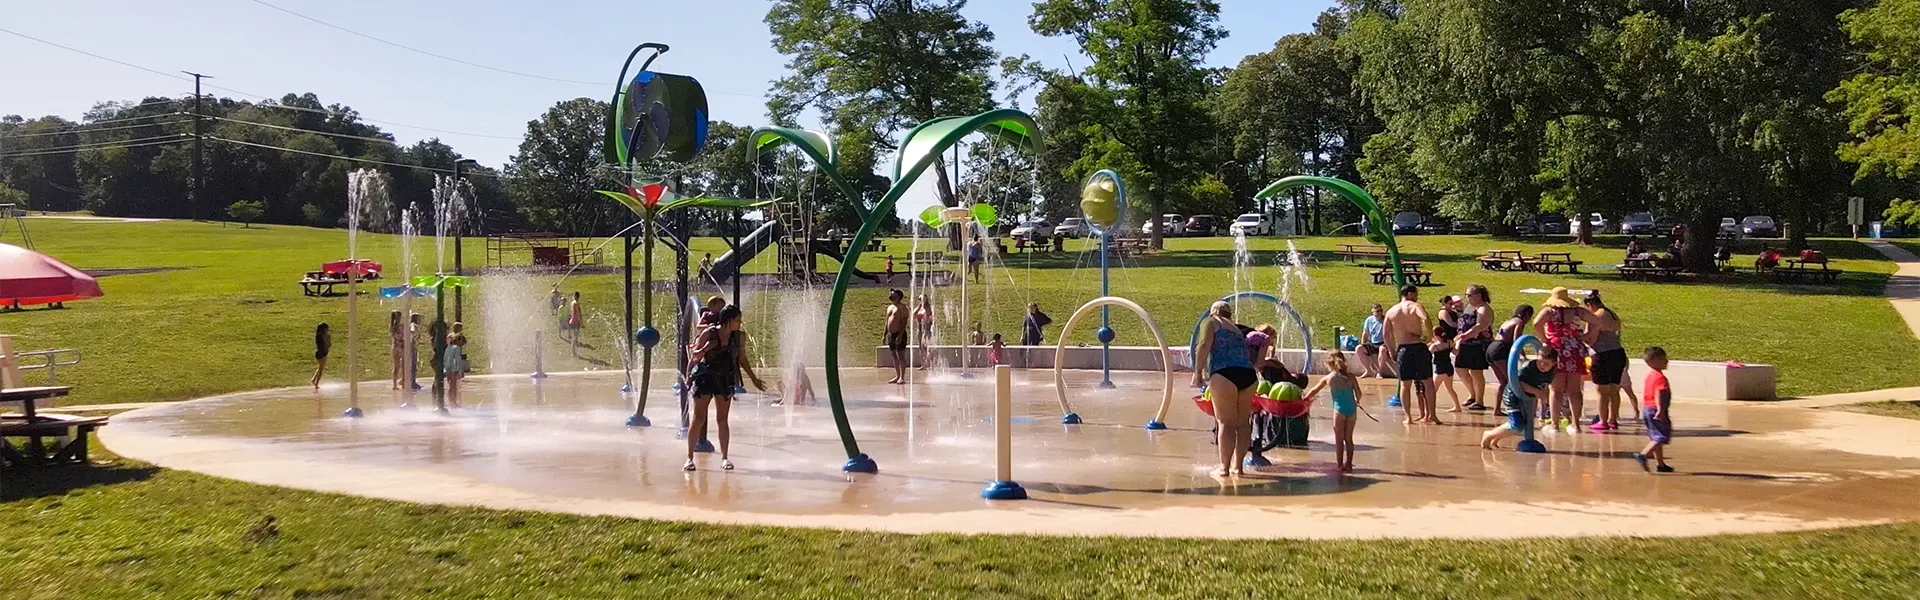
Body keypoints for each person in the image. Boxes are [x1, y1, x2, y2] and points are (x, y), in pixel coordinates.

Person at [685, 305, 765, 472]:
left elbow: (742, 359)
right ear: (728, 320)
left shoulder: (739, 337)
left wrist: (753, 379)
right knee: (698, 418)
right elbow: (695, 356)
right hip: (705, 377)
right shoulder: (709, 333)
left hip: (725, 378)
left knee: (722, 419)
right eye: (737, 320)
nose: (740, 323)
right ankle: (689, 458)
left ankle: (725, 457)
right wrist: (707, 347)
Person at [1190, 301, 1256, 478]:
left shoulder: (1210, 322)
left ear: (1213, 312)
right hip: (1248, 375)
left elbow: (1203, 344)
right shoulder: (1236, 329)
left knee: (1225, 422)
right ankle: (1238, 467)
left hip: (1224, 372)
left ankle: (1224, 468)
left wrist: (1197, 372)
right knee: (1243, 422)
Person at [1532, 287, 1591, 433]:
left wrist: (1545, 339)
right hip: (1574, 349)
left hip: (1556, 348)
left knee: (1556, 390)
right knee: (1575, 391)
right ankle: (1576, 425)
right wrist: (1588, 336)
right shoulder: (1578, 311)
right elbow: (1596, 321)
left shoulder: (1549, 312)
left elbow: (1536, 323)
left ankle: (1555, 424)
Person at [1482, 346, 1557, 450]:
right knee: (1517, 425)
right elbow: (1519, 384)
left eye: (1546, 364)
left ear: (1554, 364)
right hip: (1513, 397)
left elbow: (1544, 387)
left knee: (1524, 425)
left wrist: (1544, 400)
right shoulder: (1529, 367)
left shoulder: (1552, 373)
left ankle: (1495, 438)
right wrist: (1537, 392)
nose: (1542, 365)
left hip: (1527, 399)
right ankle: (1489, 434)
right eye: (1540, 362)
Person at [1382, 285, 1437, 424]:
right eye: (1416, 294)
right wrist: (1429, 337)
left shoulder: (1391, 311)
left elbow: (1385, 334)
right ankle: (1433, 415)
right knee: (1428, 383)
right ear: (1410, 293)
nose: (1417, 297)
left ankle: (1408, 417)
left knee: (1405, 385)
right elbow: (1425, 319)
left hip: (1403, 349)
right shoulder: (1415, 306)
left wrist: (1391, 350)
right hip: (1418, 347)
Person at [1301, 351, 1362, 473]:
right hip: (1352, 410)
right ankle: (1348, 464)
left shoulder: (1329, 378)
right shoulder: (1351, 377)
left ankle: (1340, 465)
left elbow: (1314, 390)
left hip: (1339, 411)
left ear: (1329, 364)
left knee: (1339, 440)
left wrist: (1304, 398)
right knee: (1349, 438)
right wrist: (1356, 401)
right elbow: (1359, 394)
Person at [1584, 291, 1630, 431]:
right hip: (1617, 353)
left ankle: (1603, 421)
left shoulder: (1596, 316)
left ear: (1589, 305)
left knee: (1602, 390)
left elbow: (1591, 338)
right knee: (1614, 389)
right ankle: (1613, 420)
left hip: (1602, 355)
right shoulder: (1612, 314)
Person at [1487, 304, 1534, 417]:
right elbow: (1517, 340)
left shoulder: (1509, 321)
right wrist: (1522, 355)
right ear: (1526, 314)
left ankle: (1497, 409)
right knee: (1513, 381)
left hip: (1491, 348)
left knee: (1503, 382)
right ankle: (1517, 409)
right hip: (1500, 350)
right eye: (1530, 316)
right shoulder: (1519, 323)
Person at [1633, 346, 1675, 473]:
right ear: (1655, 361)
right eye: (1663, 359)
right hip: (1656, 409)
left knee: (1655, 437)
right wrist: (1661, 410)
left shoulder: (1650, 376)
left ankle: (1660, 464)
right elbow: (1659, 394)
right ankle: (1643, 454)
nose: (1667, 361)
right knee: (1661, 437)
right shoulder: (1660, 378)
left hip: (1647, 408)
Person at [1454, 285, 1494, 411]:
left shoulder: (1483, 309)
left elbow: (1480, 326)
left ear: (1478, 296)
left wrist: (1465, 335)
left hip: (1477, 344)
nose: (1467, 298)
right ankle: (1473, 394)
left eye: (1469, 295)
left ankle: (1479, 400)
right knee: (1460, 369)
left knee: (1476, 372)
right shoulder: (1471, 307)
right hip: (1466, 344)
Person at [1430, 326, 1461, 413]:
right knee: (1450, 388)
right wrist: (1458, 343)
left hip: (1440, 369)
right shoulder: (1449, 342)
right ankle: (1457, 406)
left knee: (1432, 390)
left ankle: (1429, 409)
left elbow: (1427, 355)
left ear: (1435, 335)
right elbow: (1456, 352)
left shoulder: (1434, 346)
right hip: (1449, 367)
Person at [884, 289, 909, 384]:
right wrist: (884, 334)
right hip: (891, 335)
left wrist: (900, 335)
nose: (891, 296)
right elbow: (886, 322)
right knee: (894, 355)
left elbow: (904, 322)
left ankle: (902, 377)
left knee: (901, 356)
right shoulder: (889, 307)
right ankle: (897, 375)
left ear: (898, 297)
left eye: (893, 295)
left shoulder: (902, 308)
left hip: (899, 334)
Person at [443, 322, 469, 408]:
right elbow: (457, 359)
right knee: (453, 385)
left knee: (451, 384)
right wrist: (460, 369)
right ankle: (453, 402)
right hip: (454, 366)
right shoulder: (456, 347)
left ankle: (451, 401)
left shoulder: (449, 346)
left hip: (448, 366)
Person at [1359, 303, 1387, 378]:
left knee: (1382, 349)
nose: (1380, 313)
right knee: (1358, 348)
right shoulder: (1369, 320)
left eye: (1381, 311)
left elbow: (1390, 335)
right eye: (1377, 311)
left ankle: (1380, 372)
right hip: (1373, 343)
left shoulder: (1385, 320)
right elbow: (1365, 333)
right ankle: (1368, 370)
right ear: (1373, 312)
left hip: (1383, 343)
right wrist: (1363, 344)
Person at [913, 295, 935, 370]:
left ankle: (932, 364)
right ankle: (923, 364)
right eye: (919, 299)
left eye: (922, 299)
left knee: (927, 347)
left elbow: (929, 315)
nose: (921, 300)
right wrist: (919, 307)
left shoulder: (928, 308)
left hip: (926, 330)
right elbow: (913, 315)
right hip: (919, 330)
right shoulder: (919, 308)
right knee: (921, 348)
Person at [388, 311, 406, 390]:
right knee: (403, 366)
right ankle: (403, 383)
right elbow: (403, 336)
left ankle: (395, 384)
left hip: (395, 347)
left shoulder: (392, 327)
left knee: (396, 366)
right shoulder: (401, 326)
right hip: (401, 347)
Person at [311, 323, 331, 388]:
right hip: (323, 353)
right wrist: (328, 338)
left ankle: (314, 379)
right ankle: (316, 383)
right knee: (321, 369)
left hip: (318, 352)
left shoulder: (318, 335)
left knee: (320, 367)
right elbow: (328, 345)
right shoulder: (324, 336)